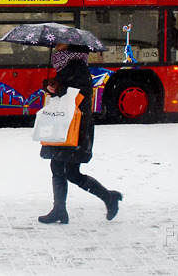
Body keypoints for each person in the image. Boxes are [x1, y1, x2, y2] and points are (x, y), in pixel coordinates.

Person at [38, 43, 122, 224]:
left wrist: (59, 89)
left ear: (72, 47)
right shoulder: (66, 66)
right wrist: (52, 87)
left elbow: (81, 95)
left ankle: (108, 198)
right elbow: (64, 93)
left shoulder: (78, 68)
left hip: (76, 127)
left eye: (61, 43)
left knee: (71, 172)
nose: (57, 45)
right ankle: (59, 209)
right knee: (58, 167)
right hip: (64, 124)